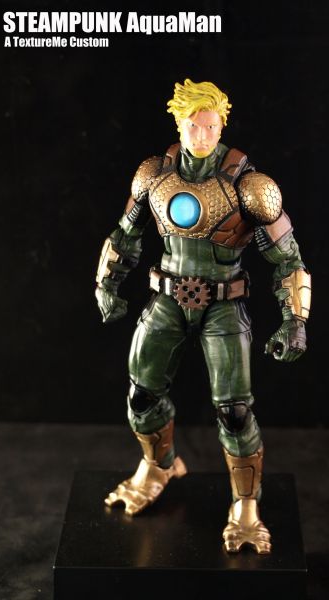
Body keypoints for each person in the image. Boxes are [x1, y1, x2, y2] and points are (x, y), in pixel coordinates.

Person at [95, 79, 311, 554]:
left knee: (234, 413)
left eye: (211, 126)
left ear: (222, 125)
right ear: (179, 123)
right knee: (142, 396)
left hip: (222, 305)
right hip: (168, 299)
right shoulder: (154, 175)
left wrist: (294, 320)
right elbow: (125, 235)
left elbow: (288, 260)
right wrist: (106, 284)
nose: (202, 135)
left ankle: (246, 505)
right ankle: (160, 465)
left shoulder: (251, 188)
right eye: (194, 125)